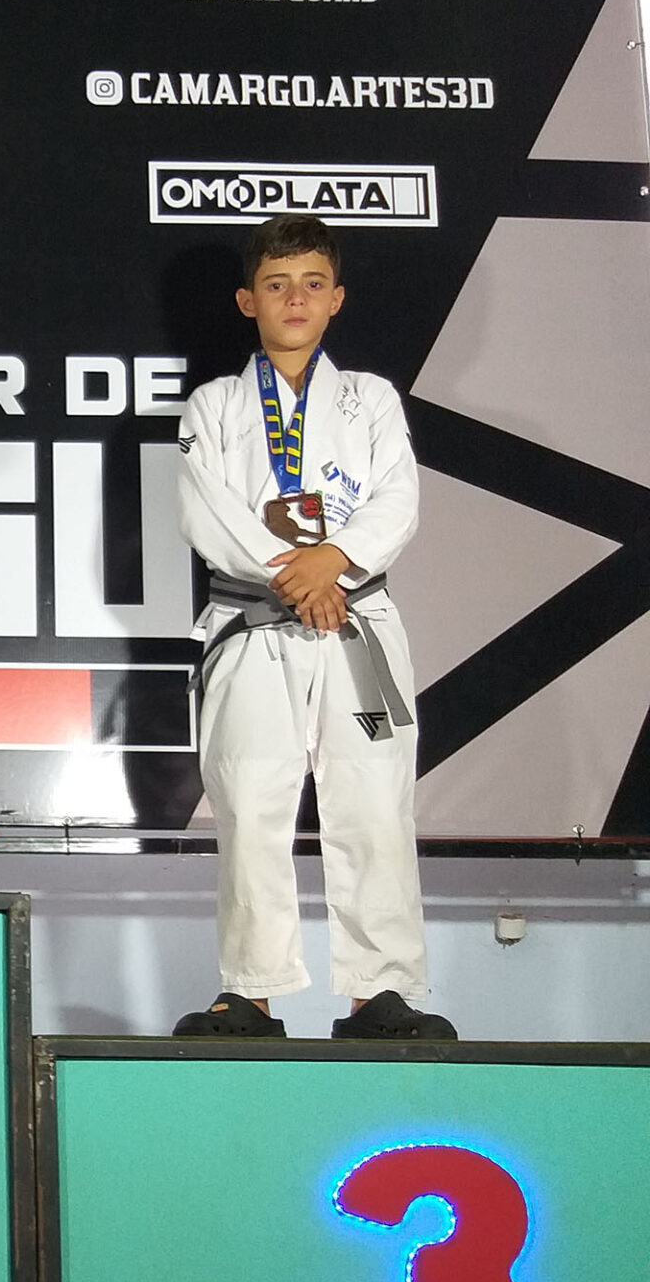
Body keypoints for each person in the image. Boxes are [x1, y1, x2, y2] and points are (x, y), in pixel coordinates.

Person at [173, 214, 455, 1038]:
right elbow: (206, 510)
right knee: (249, 798)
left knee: (373, 802)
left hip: (355, 619)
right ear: (247, 301)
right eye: (276, 284)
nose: (294, 298)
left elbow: (397, 498)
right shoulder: (216, 404)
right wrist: (296, 578)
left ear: (337, 298)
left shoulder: (371, 399)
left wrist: (333, 563)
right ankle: (250, 992)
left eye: (311, 284)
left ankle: (380, 991)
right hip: (252, 619)